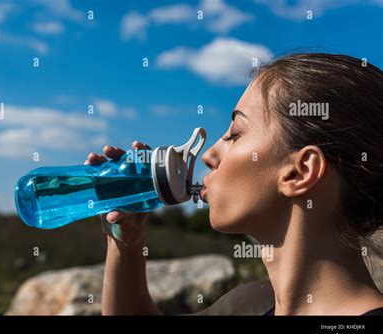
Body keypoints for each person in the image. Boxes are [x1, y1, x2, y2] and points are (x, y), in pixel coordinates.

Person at [84, 53, 383, 315]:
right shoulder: (251, 304)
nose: (209, 156)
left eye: (234, 134)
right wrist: (126, 242)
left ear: (300, 172)